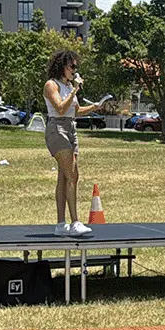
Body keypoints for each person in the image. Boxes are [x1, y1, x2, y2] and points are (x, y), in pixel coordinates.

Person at [43, 49, 105, 237]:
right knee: (73, 175)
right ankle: (75, 222)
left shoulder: (69, 87)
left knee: (64, 176)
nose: (75, 70)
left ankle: (61, 224)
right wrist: (75, 89)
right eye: (72, 67)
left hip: (71, 128)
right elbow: (61, 108)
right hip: (57, 129)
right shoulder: (51, 85)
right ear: (62, 67)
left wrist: (94, 107)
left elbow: (75, 111)